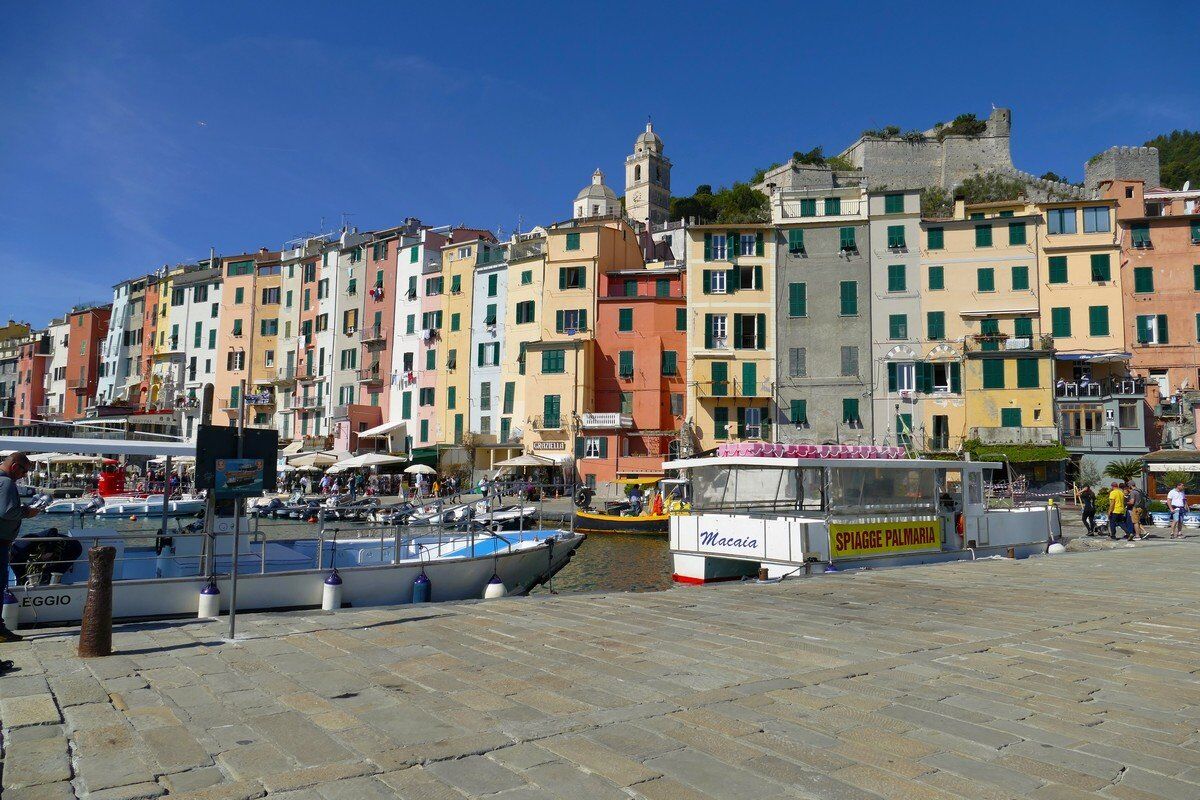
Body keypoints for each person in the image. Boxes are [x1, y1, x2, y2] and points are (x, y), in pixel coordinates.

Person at [1, 452, 41, 644]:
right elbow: (8, 512)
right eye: (24, 471)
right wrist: (27, 512)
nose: (24, 476)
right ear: (15, 467)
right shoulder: (6, 483)